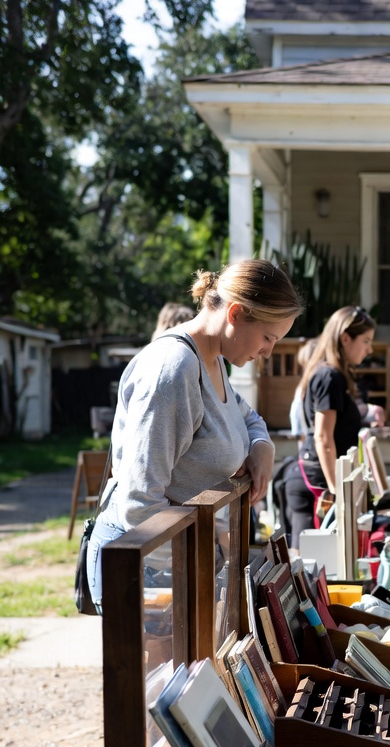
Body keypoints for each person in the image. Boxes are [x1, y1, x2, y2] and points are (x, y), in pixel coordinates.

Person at [87, 259, 302, 611]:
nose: (268, 352)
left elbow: (248, 418)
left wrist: (262, 446)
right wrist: (215, 544)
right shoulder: (174, 370)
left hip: (181, 564)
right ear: (235, 314)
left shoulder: (213, 360)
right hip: (147, 576)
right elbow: (139, 506)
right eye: (268, 337)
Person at [284, 306, 382, 549]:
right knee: (326, 552)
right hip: (324, 475)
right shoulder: (329, 377)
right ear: (345, 338)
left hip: (328, 471)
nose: (369, 349)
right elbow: (323, 437)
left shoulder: (331, 374)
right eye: (366, 341)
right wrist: (336, 491)